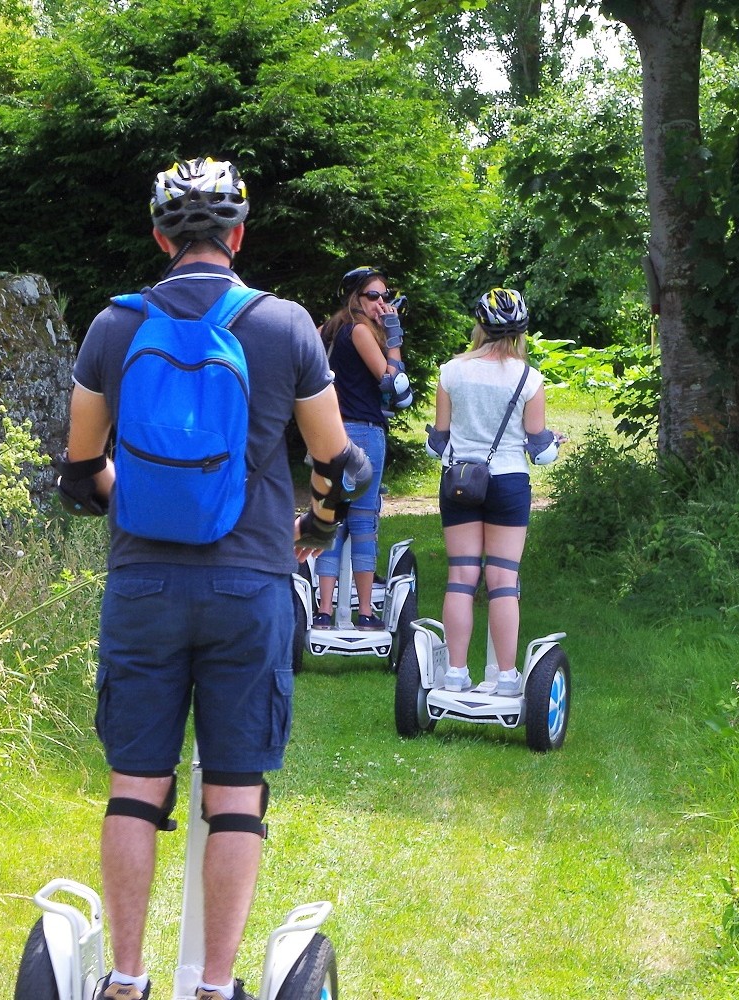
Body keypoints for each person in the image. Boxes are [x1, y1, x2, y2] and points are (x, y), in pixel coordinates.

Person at [53, 157, 369, 1000]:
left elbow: (81, 474)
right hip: (250, 585)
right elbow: (342, 464)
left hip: (143, 588)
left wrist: (134, 501)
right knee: (235, 793)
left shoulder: (114, 328)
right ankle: (217, 985)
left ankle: (125, 977)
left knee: (135, 786)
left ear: (161, 238)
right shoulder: (288, 326)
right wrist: (317, 526)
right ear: (238, 236)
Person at [425, 287, 562, 695]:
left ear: (479, 325)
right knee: (503, 580)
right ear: (521, 331)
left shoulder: (451, 371)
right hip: (507, 482)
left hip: (460, 482)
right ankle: (505, 677)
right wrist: (556, 443)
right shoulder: (529, 378)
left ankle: (454, 672)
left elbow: (437, 442)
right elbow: (541, 452)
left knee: (461, 577)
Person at [312, 266, 401, 630]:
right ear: (355, 299)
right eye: (373, 296)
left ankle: (323, 611)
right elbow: (392, 383)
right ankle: (365, 613)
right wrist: (394, 338)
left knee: (329, 515)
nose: (382, 303)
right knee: (364, 519)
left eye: (386, 296)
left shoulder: (326, 331)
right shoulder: (362, 331)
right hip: (363, 431)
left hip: (328, 429)